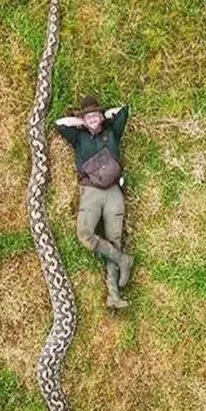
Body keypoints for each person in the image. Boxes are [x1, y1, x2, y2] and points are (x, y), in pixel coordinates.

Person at [54, 96, 135, 309]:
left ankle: (114, 295)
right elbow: (59, 123)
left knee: (114, 240)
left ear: (101, 116)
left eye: (95, 114)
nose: (92, 119)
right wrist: (82, 120)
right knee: (85, 234)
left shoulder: (112, 132)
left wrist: (104, 118)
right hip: (90, 191)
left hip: (114, 191)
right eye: (88, 116)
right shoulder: (79, 137)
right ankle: (123, 260)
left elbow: (123, 110)